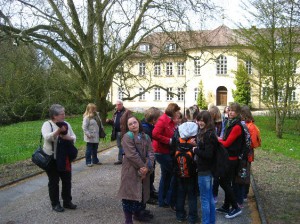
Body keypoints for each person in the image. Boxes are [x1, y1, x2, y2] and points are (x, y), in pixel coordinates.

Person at [117, 116, 155, 224]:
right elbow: (131, 155)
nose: (133, 125)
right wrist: (143, 167)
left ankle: (138, 214)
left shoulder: (146, 137)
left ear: (138, 123)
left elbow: (151, 152)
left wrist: (147, 168)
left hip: (144, 170)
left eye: (135, 122)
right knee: (129, 196)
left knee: (141, 194)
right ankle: (128, 220)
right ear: (128, 127)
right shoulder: (127, 137)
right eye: (130, 124)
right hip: (131, 170)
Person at [42, 104, 77, 212]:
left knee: (67, 180)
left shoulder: (66, 124)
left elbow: (74, 137)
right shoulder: (47, 124)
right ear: (54, 116)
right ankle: (55, 204)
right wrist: (58, 131)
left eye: (64, 113)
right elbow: (47, 137)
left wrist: (67, 137)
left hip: (65, 158)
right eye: (62, 114)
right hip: (52, 158)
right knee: (54, 182)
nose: (64, 115)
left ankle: (67, 201)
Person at [216, 102, 243, 219]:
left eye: (233, 111)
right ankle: (226, 206)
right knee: (226, 181)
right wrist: (220, 139)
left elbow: (227, 143)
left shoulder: (237, 126)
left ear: (237, 113)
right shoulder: (230, 123)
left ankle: (236, 207)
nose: (230, 112)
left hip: (232, 159)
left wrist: (216, 139)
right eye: (229, 110)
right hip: (228, 158)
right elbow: (226, 139)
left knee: (224, 182)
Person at [152, 103, 181, 208]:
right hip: (161, 152)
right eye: (177, 112)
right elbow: (155, 134)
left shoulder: (169, 120)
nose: (178, 114)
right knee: (175, 173)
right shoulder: (163, 120)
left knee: (166, 175)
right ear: (173, 112)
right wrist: (169, 141)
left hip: (166, 151)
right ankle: (169, 199)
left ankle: (162, 200)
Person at [193, 111, 217, 224]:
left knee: (205, 199)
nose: (200, 122)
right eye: (199, 120)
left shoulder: (208, 135)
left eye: (203, 120)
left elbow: (208, 154)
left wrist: (195, 150)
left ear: (207, 121)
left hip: (204, 170)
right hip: (208, 169)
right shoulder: (209, 132)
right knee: (210, 197)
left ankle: (206, 222)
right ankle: (211, 221)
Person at [173, 121, 198, 223]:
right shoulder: (194, 143)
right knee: (192, 195)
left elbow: (172, 156)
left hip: (179, 173)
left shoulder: (178, 141)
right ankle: (192, 217)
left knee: (181, 193)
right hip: (192, 174)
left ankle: (180, 215)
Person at [141, 107, 162, 204]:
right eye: (159, 119)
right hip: (146, 158)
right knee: (147, 177)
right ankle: (147, 196)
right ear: (154, 120)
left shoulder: (149, 126)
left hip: (150, 156)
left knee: (151, 175)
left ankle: (151, 192)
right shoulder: (146, 129)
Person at [106, 99, 132, 165]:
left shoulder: (127, 112)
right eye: (116, 105)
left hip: (124, 132)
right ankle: (121, 159)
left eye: (118, 105)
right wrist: (109, 121)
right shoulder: (115, 112)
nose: (117, 106)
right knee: (119, 146)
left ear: (122, 105)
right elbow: (114, 122)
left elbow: (131, 121)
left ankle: (127, 159)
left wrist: (130, 131)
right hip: (117, 132)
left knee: (126, 146)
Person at [208, 105, 223, 203]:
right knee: (209, 173)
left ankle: (214, 194)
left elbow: (221, 136)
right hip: (210, 149)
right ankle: (211, 193)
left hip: (217, 150)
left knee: (216, 175)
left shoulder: (220, 124)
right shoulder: (209, 123)